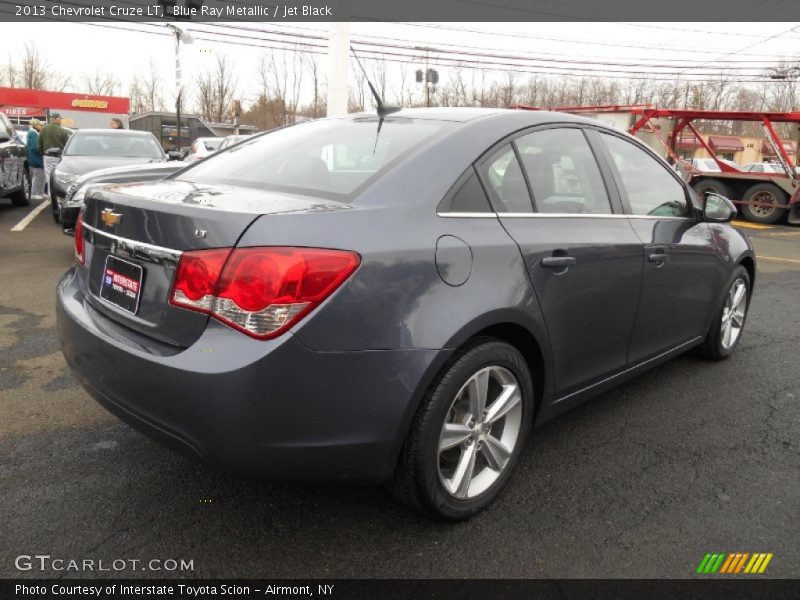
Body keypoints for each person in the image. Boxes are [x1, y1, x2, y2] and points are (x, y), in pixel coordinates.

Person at [38, 113, 70, 195]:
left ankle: (50, 194)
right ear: (57, 119)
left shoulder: (43, 129)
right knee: (59, 176)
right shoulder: (63, 131)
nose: (61, 121)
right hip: (59, 157)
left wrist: (42, 153)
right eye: (60, 119)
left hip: (47, 156)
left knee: (48, 175)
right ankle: (58, 194)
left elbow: (39, 143)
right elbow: (67, 145)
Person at [25, 119, 45, 200]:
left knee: (40, 176)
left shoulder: (32, 133)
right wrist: (43, 150)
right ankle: (35, 193)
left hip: (34, 159)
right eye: (40, 125)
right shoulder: (33, 133)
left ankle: (40, 192)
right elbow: (35, 147)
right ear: (36, 125)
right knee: (37, 177)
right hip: (36, 159)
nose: (41, 126)